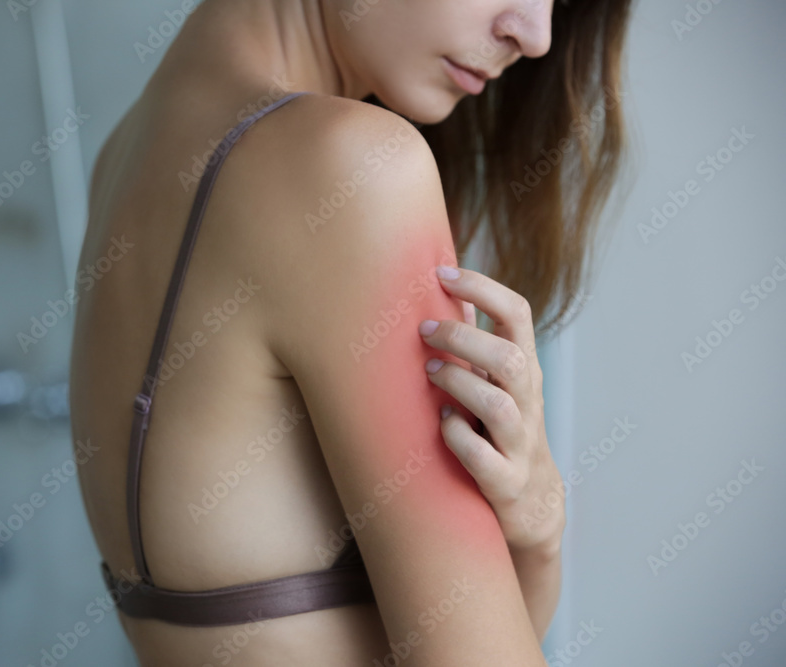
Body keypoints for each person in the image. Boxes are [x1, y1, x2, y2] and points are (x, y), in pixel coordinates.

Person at [69, 0, 635, 664]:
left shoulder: (129, 149)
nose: (535, 35)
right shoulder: (354, 166)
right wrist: (540, 527)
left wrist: (535, 536)